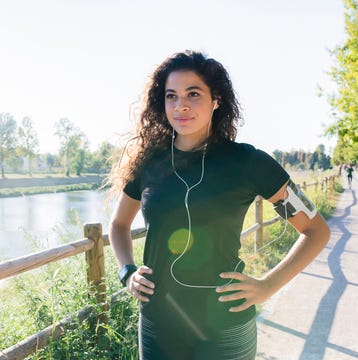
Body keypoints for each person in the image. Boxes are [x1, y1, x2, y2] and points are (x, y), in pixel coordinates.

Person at [108, 51, 330, 360]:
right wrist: (127, 272)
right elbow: (118, 226)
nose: (180, 105)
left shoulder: (249, 163)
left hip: (225, 326)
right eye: (171, 96)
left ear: (217, 100)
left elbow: (315, 230)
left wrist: (268, 285)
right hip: (159, 322)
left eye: (193, 94)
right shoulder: (149, 163)